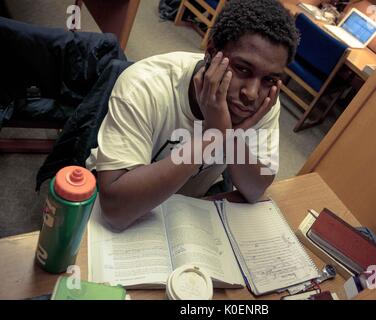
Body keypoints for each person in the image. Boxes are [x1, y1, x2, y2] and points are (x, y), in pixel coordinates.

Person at [86, 0, 299, 230]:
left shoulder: (263, 101)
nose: (252, 93)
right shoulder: (145, 85)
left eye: (269, 79)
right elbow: (115, 211)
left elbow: (256, 188)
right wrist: (212, 137)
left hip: (184, 212)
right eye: (242, 69)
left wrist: (231, 137)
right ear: (210, 53)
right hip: (123, 212)